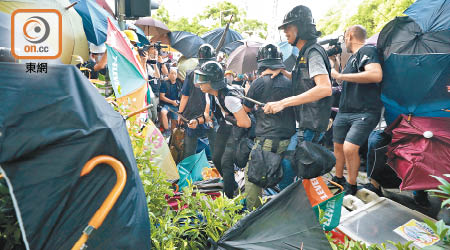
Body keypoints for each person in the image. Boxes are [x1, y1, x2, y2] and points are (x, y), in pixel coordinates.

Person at [263, 6, 333, 147]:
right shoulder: (303, 53)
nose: (285, 31)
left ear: (300, 28)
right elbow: (303, 81)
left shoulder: (313, 53)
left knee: (292, 163)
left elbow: (325, 88)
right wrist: (282, 71)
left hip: (312, 123)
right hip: (306, 121)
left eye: (288, 27)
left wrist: (282, 103)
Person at [329, 25, 383, 195]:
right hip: (345, 111)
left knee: (349, 148)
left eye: (344, 37)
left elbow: (375, 75)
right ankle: (339, 178)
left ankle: (351, 185)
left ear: (350, 36)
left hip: (364, 111)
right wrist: (336, 65)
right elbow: (343, 82)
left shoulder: (368, 50)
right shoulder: (353, 57)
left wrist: (340, 75)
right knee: (337, 147)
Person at [243, 44, 296, 210]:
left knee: (252, 175)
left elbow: (246, 109)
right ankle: (286, 211)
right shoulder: (290, 81)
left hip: (267, 141)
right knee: (285, 178)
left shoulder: (259, 83)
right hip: (289, 140)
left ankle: (253, 215)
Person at [192, 61, 251, 198]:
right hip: (225, 127)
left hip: (237, 129)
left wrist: (228, 118)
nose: (199, 84)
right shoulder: (211, 94)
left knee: (226, 163)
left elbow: (245, 123)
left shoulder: (229, 98)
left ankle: (228, 198)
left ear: (213, 82)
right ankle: (232, 184)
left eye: (203, 80)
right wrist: (196, 120)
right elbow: (210, 114)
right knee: (216, 157)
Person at [178, 44, 217, 159]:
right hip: (211, 113)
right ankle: (217, 169)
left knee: (190, 148)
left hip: (192, 113)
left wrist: (180, 113)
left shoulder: (191, 73)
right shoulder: (216, 73)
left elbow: (185, 95)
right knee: (215, 145)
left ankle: (187, 171)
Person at [160, 67, 182, 136]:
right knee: (163, 112)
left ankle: (172, 137)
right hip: (167, 104)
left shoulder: (179, 83)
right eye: (171, 73)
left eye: (175, 74)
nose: (173, 75)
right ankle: (166, 130)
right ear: (168, 74)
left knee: (174, 124)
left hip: (176, 105)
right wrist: (172, 102)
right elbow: (161, 97)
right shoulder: (165, 83)